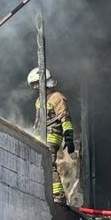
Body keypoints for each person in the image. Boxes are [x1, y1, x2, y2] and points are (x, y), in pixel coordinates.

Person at [28, 68, 76, 202]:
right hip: (41, 136)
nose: (35, 87)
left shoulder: (57, 98)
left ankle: (58, 197)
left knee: (49, 164)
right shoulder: (39, 101)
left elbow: (65, 118)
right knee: (40, 164)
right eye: (33, 85)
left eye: (36, 83)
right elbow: (38, 121)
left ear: (45, 81)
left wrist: (69, 136)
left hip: (52, 136)